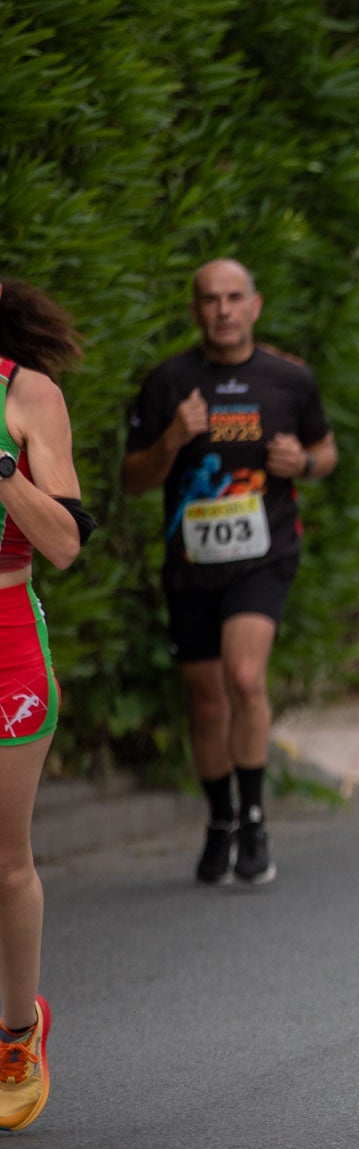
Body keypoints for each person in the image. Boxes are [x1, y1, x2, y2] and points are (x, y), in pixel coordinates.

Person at [123, 260, 336, 886]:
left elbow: (326, 450)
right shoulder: (169, 383)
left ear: (255, 305)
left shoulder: (289, 380)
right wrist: (171, 439)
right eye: (210, 299)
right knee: (206, 698)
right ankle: (220, 820)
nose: (223, 310)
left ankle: (254, 818)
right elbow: (132, 480)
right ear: (195, 310)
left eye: (234, 297)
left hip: (263, 559)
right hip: (190, 564)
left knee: (244, 677)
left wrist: (304, 462)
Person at [0, 280, 92, 1132]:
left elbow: (64, 541)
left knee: (5, 860)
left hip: (7, 649)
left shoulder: (26, 394)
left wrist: (1, 473)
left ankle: (18, 1030)